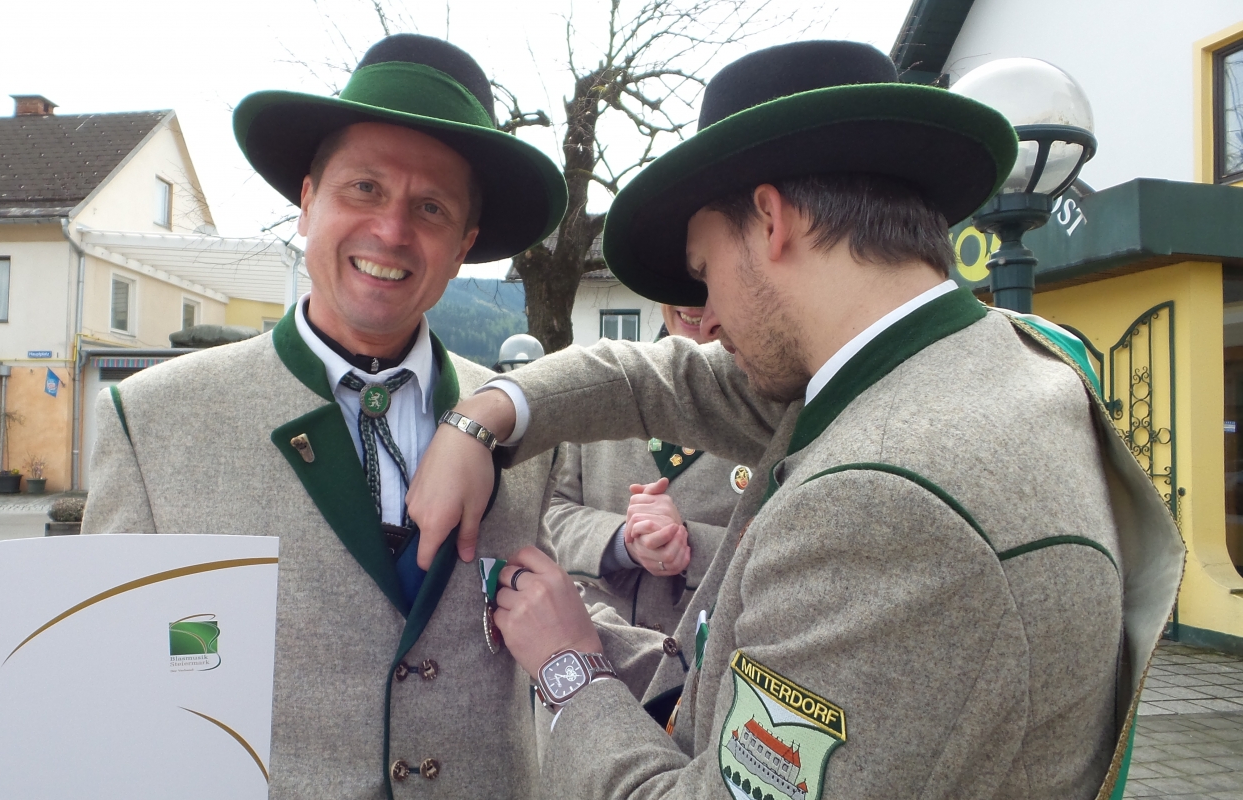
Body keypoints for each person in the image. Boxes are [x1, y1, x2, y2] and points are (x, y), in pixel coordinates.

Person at [406, 40, 1184, 799]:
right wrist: (484, 414)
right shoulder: (973, 365)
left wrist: (569, 665)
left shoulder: (885, 501)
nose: (707, 320)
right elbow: (658, 378)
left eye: (706, 272)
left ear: (772, 220)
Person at [82, 34, 568, 798]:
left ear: (464, 246)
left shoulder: (528, 426)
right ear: (308, 203)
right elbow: (113, 671)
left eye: (431, 208)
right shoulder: (150, 422)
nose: (391, 230)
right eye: (364, 189)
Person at [542, 304, 754, 637]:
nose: (690, 302)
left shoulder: (776, 409)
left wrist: (689, 544)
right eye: (674, 281)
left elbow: (790, 549)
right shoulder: (602, 390)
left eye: (704, 281)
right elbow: (548, 514)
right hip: (593, 646)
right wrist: (621, 541)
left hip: (712, 659)